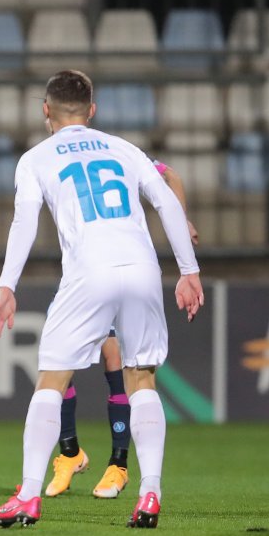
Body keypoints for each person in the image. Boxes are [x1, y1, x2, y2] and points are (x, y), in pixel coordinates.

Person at [0, 70, 204, 529]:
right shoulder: (124, 149)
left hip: (89, 270)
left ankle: (27, 495)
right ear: (92, 110)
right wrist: (188, 271)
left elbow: (23, 224)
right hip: (142, 269)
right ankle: (150, 494)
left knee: (51, 380)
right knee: (142, 379)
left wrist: (8, 285)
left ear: (46, 110)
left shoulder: (36, 158)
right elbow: (165, 200)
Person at [46, 161, 200, 500]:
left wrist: (181, 218)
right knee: (55, 362)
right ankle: (71, 452)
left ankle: (119, 464)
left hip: (121, 270)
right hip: (81, 273)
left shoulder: (123, 154)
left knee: (117, 362)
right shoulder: (59, 156)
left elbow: (171, 174)